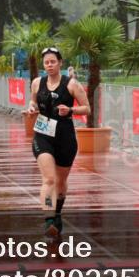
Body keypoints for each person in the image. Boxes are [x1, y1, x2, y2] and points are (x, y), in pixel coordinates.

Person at [26, 47, 90, 237]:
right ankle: (49, 219)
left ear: (60, 63)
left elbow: (87, 108)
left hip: (65, 137)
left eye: (53, 61)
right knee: (49, 179)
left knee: (61, 182)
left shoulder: (72, 85)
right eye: (46, 62)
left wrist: (70, 110)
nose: (49, 65)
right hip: (43, 134)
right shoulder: (37, 83)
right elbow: (34, 103)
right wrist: (31, 107)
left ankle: (57, 212)